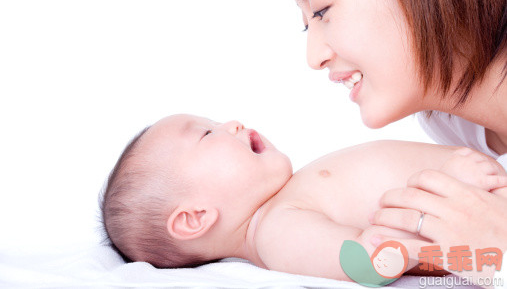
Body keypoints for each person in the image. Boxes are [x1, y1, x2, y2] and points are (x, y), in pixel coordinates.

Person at [262, 0, 507, 285]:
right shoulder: (452, 124)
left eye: (321, 11)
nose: (314, 57)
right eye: (307, 25)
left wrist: (499, 254)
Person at [100, 114, 507, 283]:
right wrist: (448, 187)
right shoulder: (277, 233)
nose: (231, 123)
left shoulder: (285, 203)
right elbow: (368, 263)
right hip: (481, 214)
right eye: (207, 135)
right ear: (194, 218)